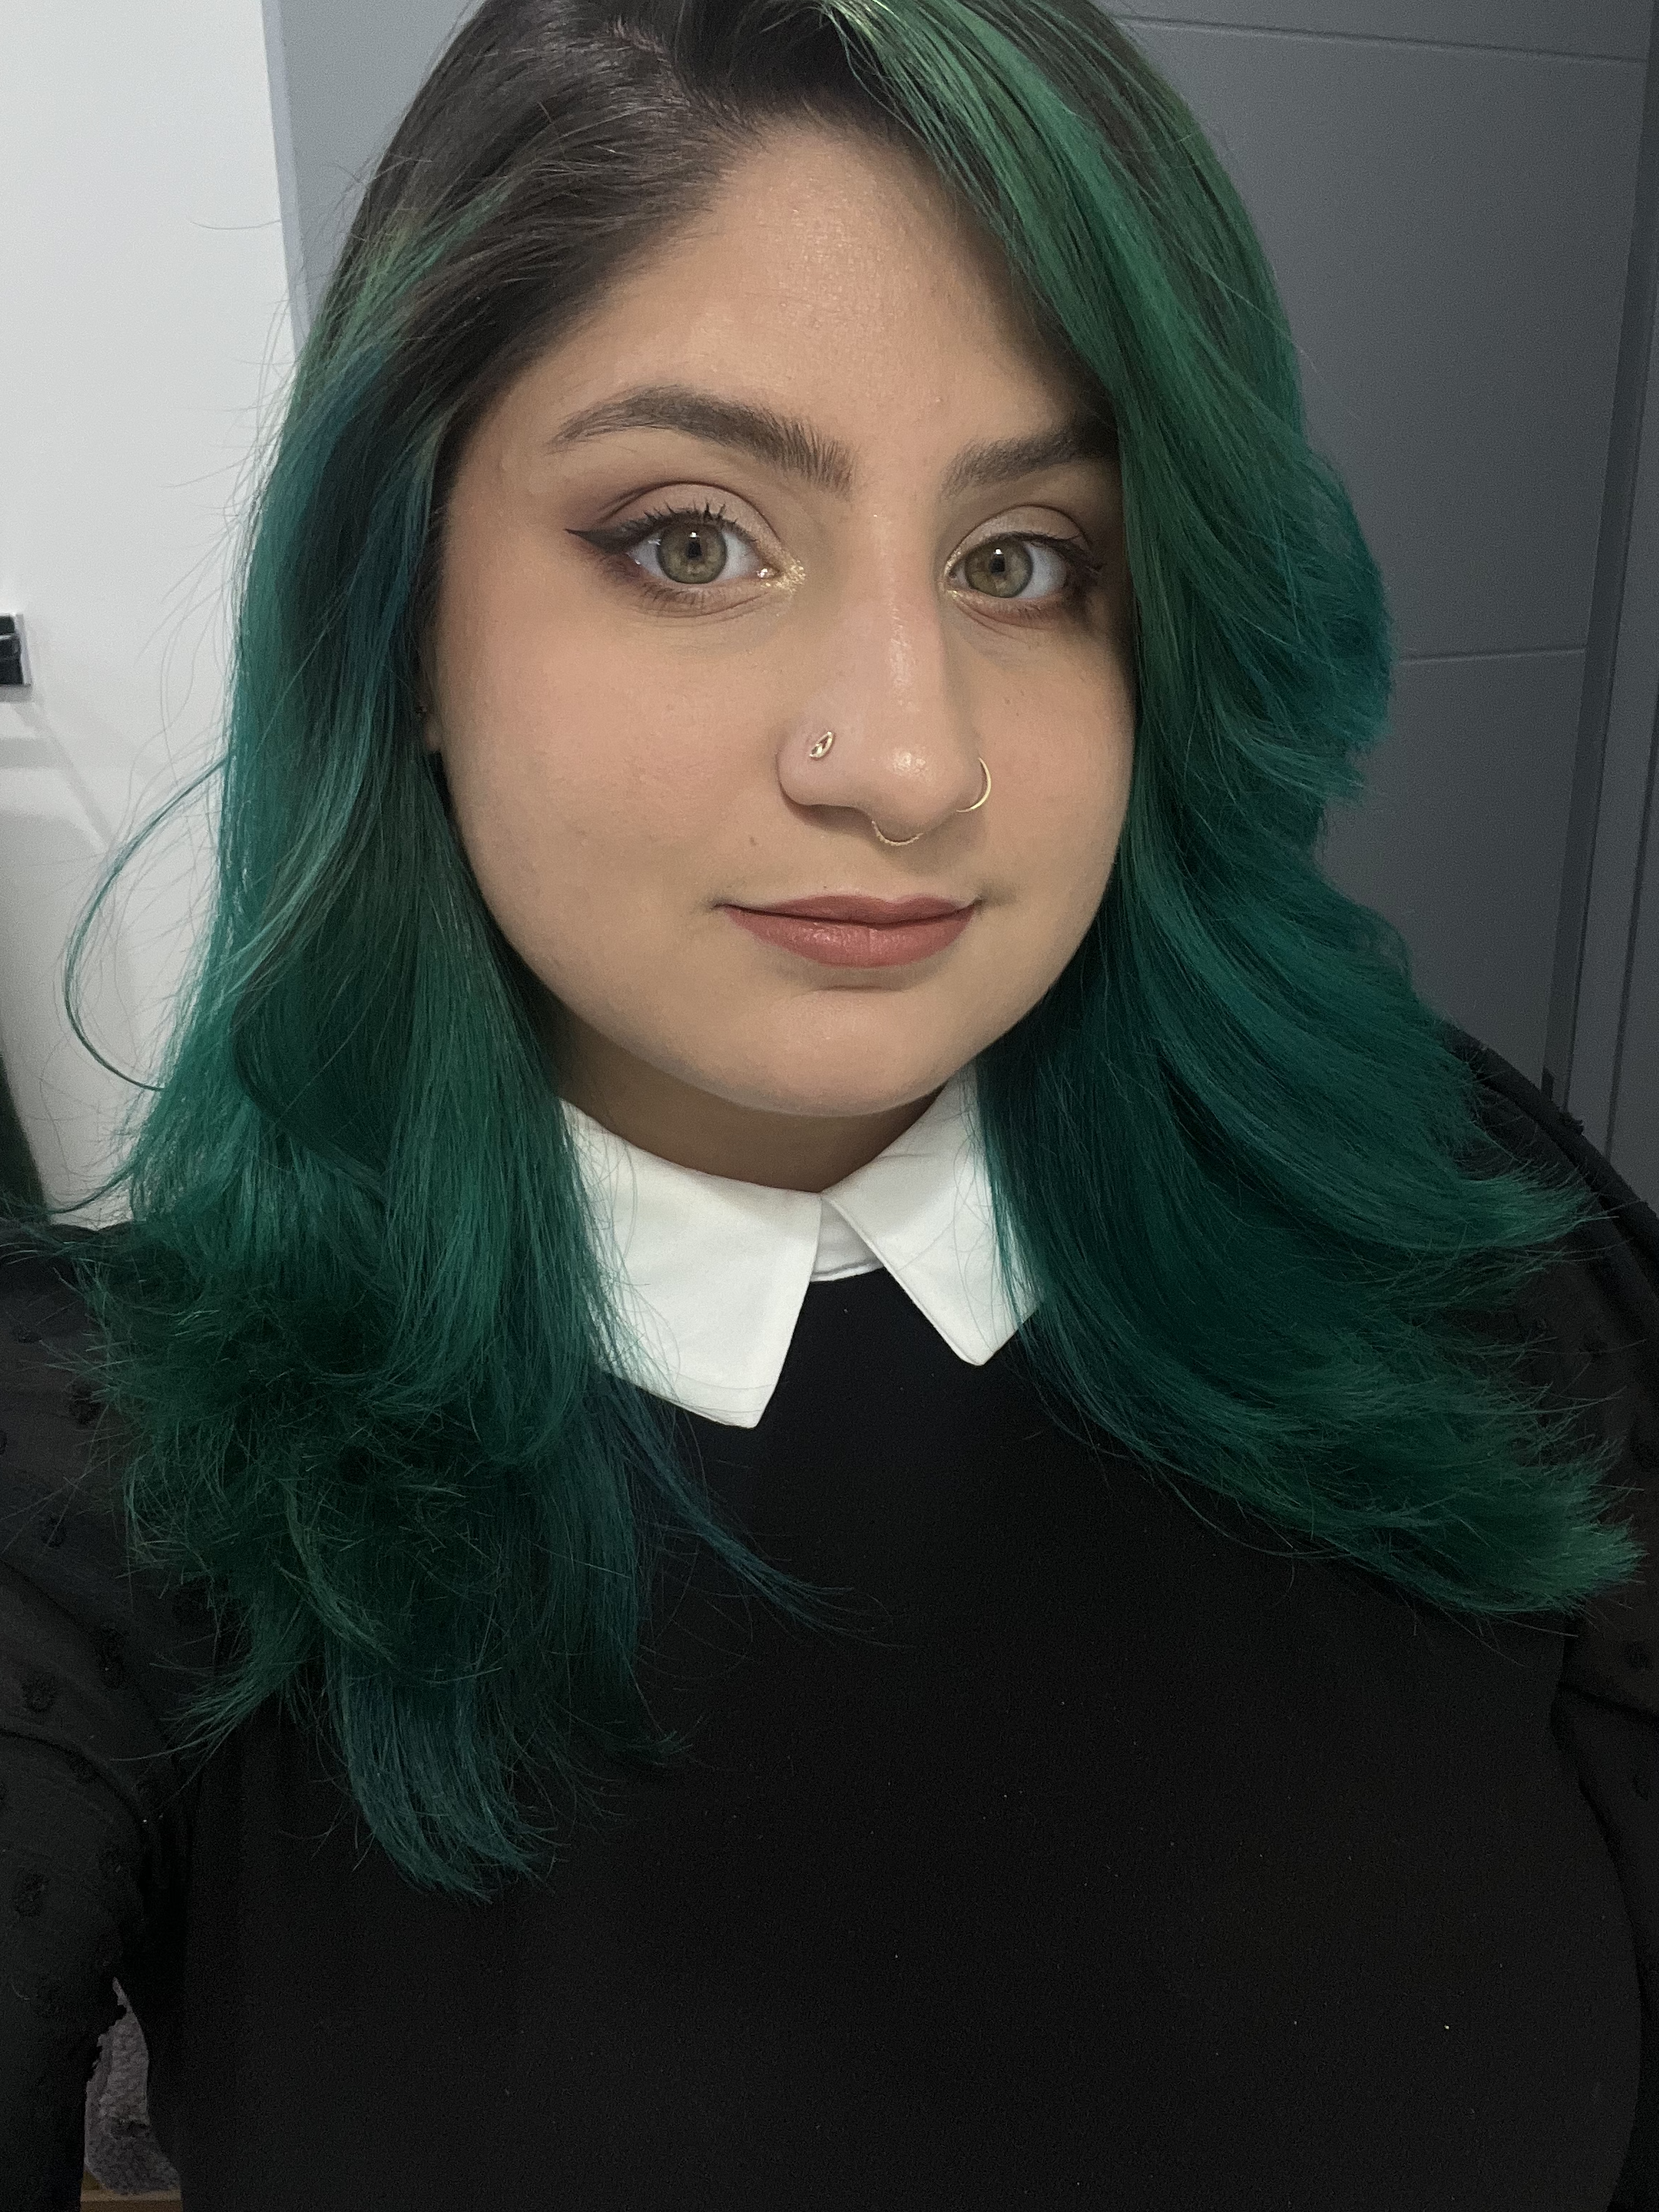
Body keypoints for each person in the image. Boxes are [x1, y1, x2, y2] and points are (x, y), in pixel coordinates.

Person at [4, 1, 1659, 2205]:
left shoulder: (1453, 1215)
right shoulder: (115, 1473)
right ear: (396, 613)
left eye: (1024, 563)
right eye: (693, 539)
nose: (904, 760)